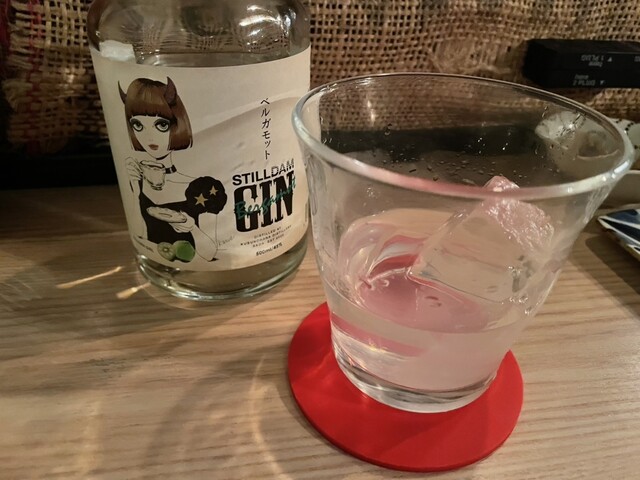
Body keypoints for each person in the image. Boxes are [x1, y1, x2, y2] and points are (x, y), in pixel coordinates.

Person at [119, 77, 226, 262]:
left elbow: (210, 254)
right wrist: (135, 193)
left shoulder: (202, 187)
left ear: (177, 124)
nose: (149, 137)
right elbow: (141, 237)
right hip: (157, 264)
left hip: (195, 266)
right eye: (138, 125)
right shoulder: (137, 181)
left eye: (161, 124)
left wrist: (192, 227)